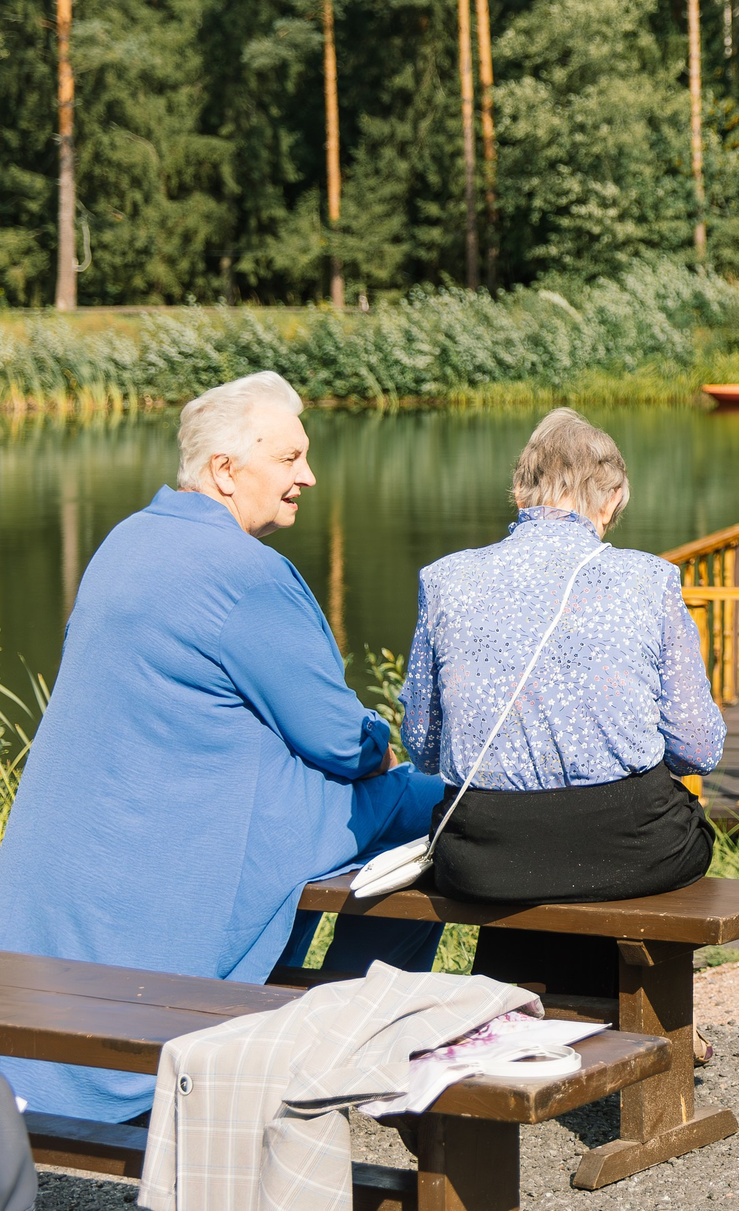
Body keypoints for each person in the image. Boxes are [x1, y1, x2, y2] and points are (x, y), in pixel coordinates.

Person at [0, 372, 443, 1122]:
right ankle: (347, 1047)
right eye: (290, 457)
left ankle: (332, 1031)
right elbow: (339, 739)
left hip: (75, 887)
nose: (308, 474)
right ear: (225, 471)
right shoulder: (245, 574)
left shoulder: (126, 539)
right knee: (439, 808)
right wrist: (384, 747)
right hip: (180, 863)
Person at [404, 407, 723, 997]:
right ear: (612, 497)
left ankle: (520, 1002)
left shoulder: (445, 578)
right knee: (648, 831)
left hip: (482, 854)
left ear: (520, 492)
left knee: (539, 848)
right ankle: (634, 1014)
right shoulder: (650, 579)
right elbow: (698, 749)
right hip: (630, 847)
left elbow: (423, 749)